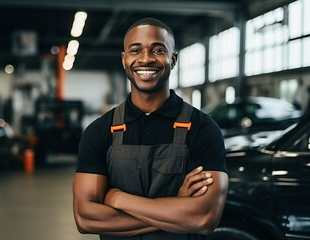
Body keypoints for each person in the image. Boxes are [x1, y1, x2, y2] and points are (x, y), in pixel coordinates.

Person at [73, 17, 228, 240]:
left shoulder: (202, 129)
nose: (145, 59)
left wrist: (119, 199)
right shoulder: (99, 131)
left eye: (158, 50)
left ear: (173, 59)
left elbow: (203, 218)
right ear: (124, 60)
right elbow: (86, 218)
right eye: (136, 51)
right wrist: (177, 208)